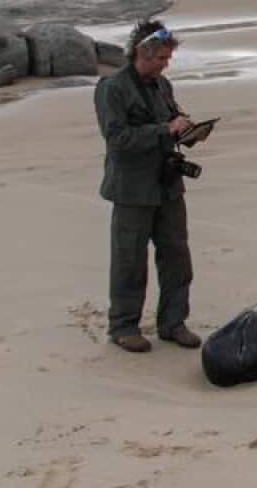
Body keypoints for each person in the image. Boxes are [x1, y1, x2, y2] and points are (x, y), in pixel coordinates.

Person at [93, 19, 201, 353]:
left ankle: (173, 322)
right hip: (131, 189)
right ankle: (124, 326)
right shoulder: (112, 88)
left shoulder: (162, 85)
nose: (165, 64)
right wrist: (164, 131)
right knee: (129, 260)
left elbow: (170, 125)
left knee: (176, 256)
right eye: (161, 59)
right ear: (142, 52)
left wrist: (189, 132)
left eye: (168, 59)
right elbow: (118, 140)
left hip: (167, 185)